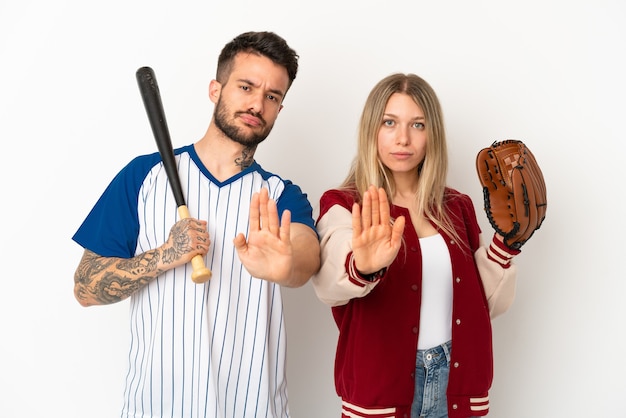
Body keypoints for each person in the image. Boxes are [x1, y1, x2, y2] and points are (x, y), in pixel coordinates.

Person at [72, 31, 320, 418]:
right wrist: (162, 257)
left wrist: (287, 265)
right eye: (246, 86)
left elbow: (306, 258)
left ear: (279, 109)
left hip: (251, 408)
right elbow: (85, 287)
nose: (257, 103)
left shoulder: (280, 195)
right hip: (155, 408)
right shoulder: (144, 176)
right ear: (215, 89)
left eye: (272, 96)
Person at [311, 73, 521, 418]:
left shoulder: (457, 206)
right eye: (389, 122)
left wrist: (506, 245)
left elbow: (482, 306)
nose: (403, 138)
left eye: (418, 125)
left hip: (457, 387)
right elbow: (328, 286)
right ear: (371, 130)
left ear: (431, 134)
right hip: (380, 393)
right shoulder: (345, 203)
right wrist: (362, 266)